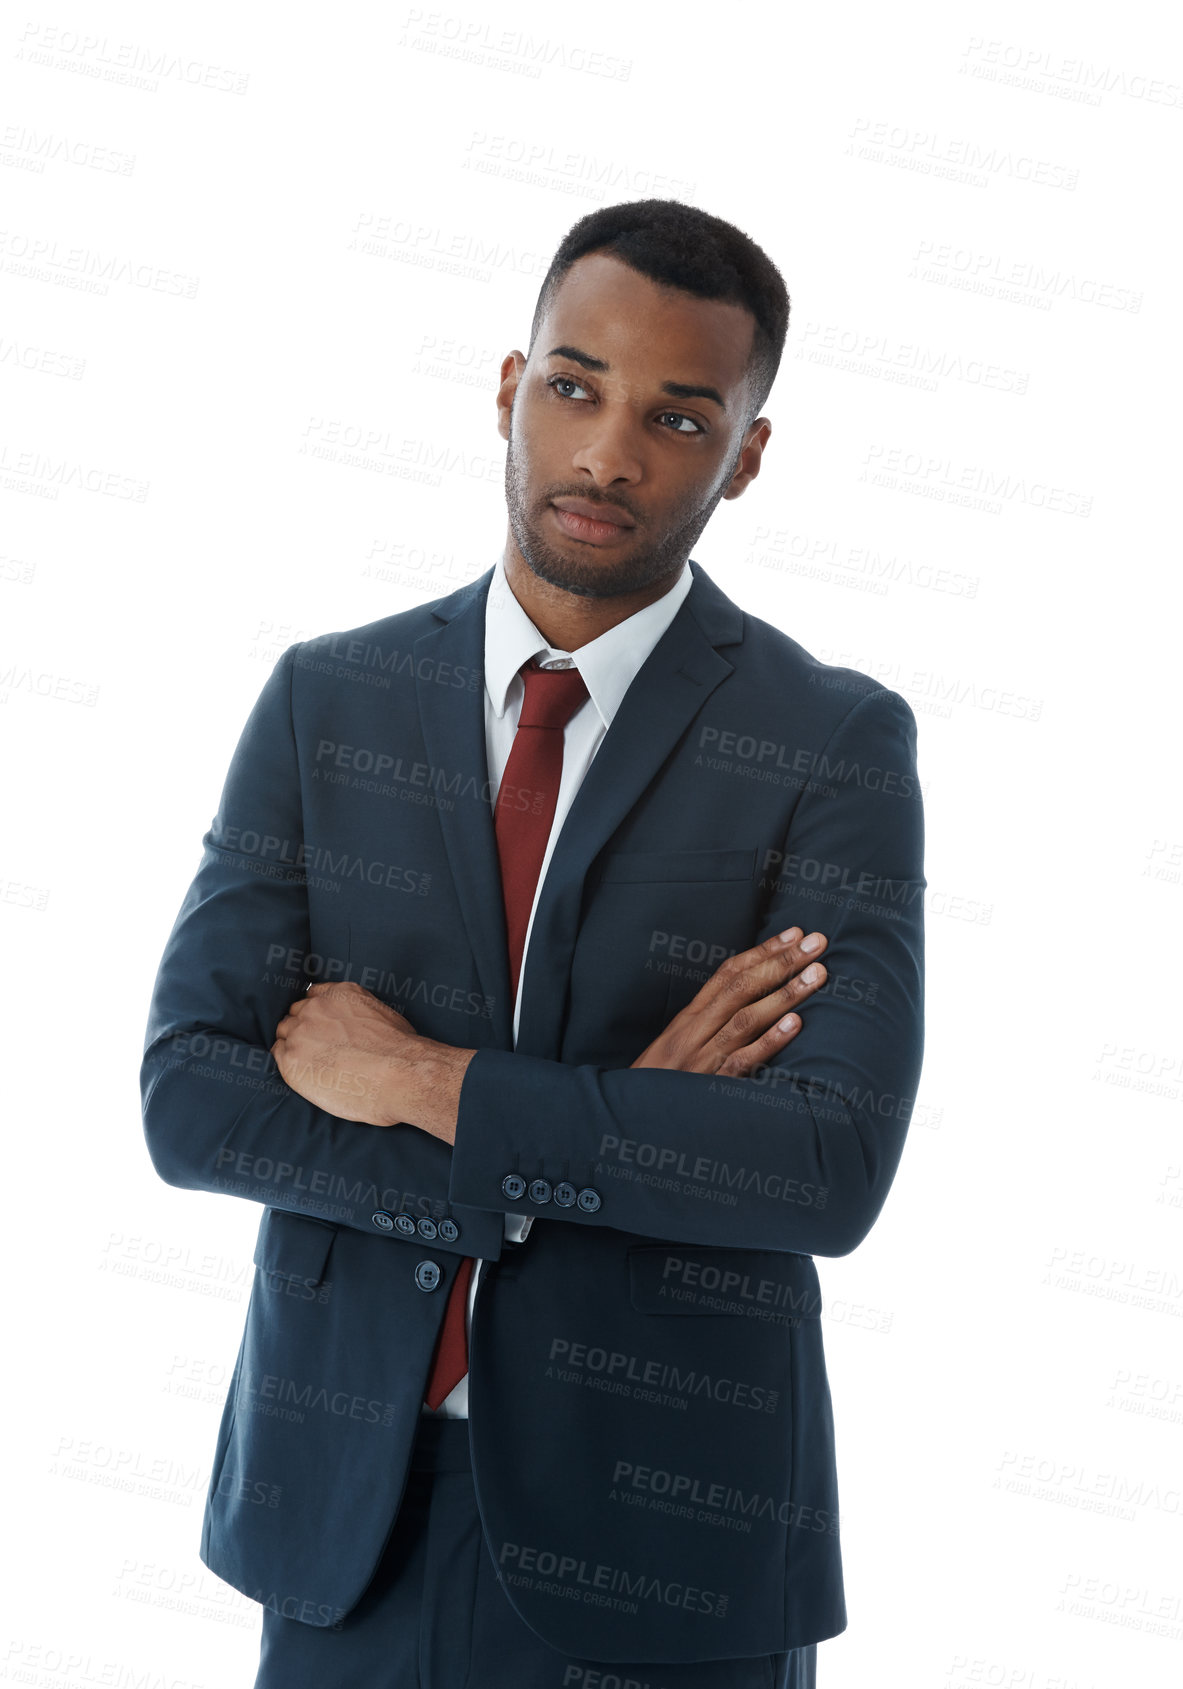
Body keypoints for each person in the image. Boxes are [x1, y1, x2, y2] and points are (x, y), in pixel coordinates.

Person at [140, 198, 926, 1688]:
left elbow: (824, 1168)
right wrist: (627, 1124)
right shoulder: (329, 701)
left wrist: (427, 1079)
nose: (607, 455)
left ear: (747, 456)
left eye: (679, 418)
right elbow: (192, 1098)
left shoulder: (832, 743)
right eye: (575, 387)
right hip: (343, 1528)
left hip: (671, 1544)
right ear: (510, 387)